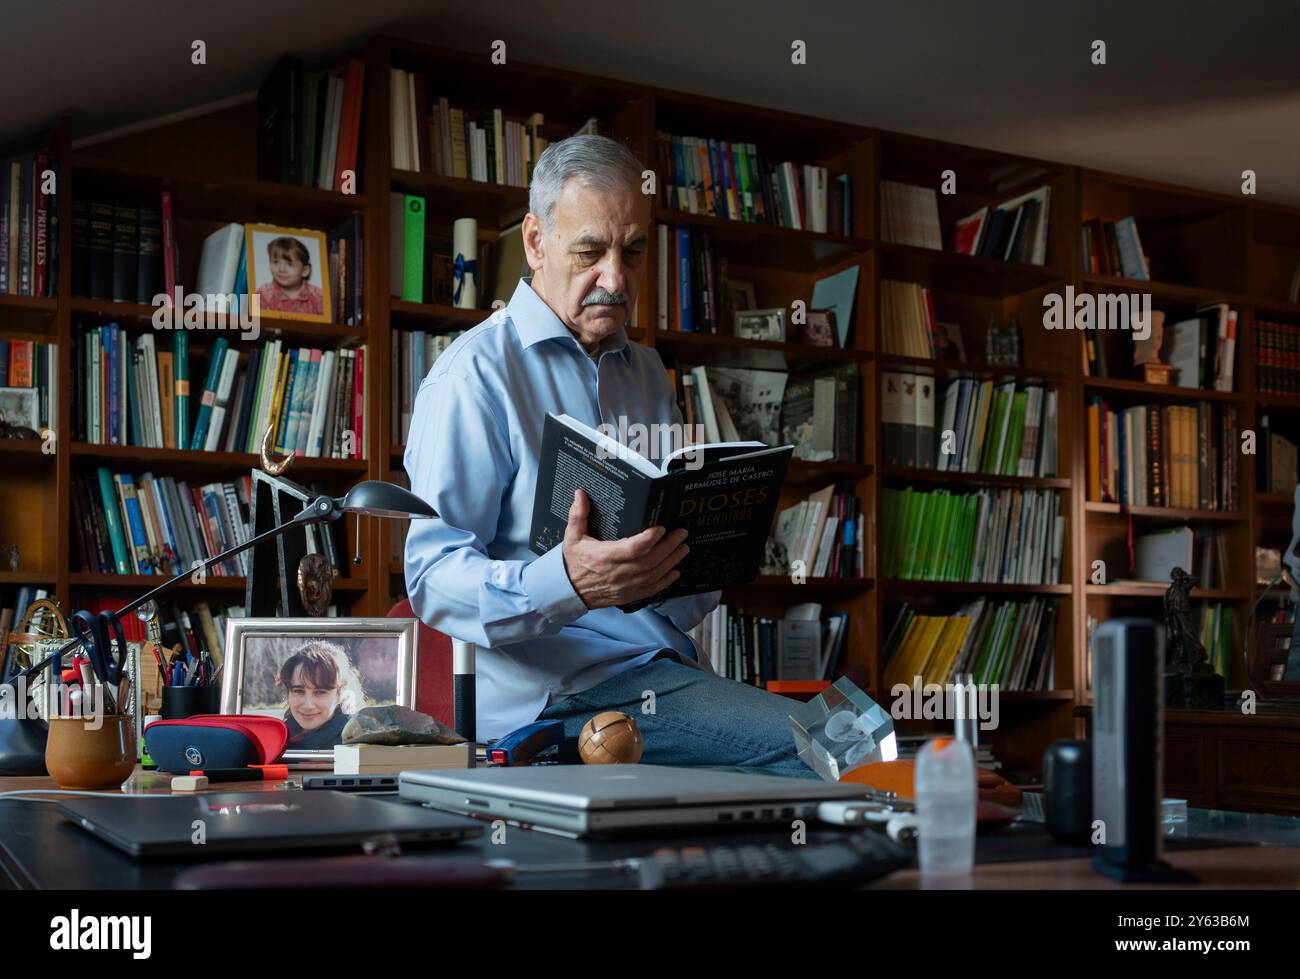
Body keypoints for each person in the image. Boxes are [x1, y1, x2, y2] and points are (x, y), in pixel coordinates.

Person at [404, 134, 814, 777]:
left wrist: (701, 552)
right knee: (823, 750)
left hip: (662, 672)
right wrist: (567, 584)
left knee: (851, 735)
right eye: (590, 251)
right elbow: (432, 581)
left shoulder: (646, 370)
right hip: (557, 699)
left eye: (634, 250)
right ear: (535, 242)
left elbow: (664, 568)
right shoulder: (472, 378)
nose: (616, 278)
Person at [277, 641, 363, 750]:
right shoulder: (277, 739)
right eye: (299, 691)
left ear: (340, 694)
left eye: (320, 692)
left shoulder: (355, 745)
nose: (308, 705)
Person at [256, 236, 324, 316]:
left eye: (290, 264)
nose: (281, 269)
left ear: (305, 271)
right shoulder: (261, 292)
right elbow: (253, 321)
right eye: (276, 262)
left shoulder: (318, 295)